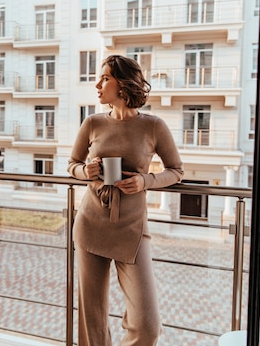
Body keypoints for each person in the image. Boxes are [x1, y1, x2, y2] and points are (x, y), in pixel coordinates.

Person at [67, 54, 184, 346]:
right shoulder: (92, 123)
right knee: (92, 320)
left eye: (105, 77)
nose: (98, 84)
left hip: (132, 229)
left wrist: (145, 181)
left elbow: (176, 171)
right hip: (90, 223)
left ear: (123, 84)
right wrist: (86, 170)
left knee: (147, 325)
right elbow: (71, 164)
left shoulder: (153, 126)